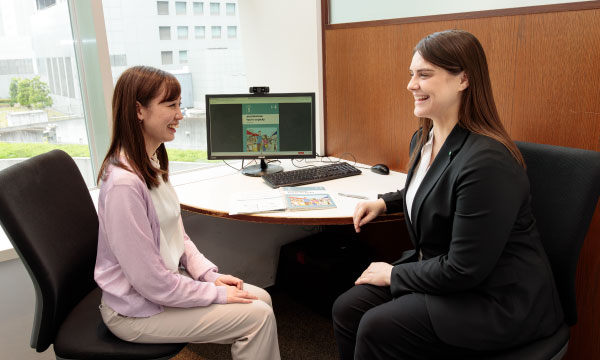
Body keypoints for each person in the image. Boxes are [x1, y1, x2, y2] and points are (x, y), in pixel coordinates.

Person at [331, 30, 564, 359]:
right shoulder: (425, 139)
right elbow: (436, 186)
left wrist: (395, 273)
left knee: (377, 327)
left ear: (463, 79)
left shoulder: (488, 162)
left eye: (424, 75)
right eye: (412, 74)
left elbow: (464, 269)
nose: (412, 84)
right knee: (348, 308)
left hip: (494, 299)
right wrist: (386, 202)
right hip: (451, 278)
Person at [94, 66, 280, 360]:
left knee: (263, 299)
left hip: (159, 289)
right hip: (135, 311)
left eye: (179, 105)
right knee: (255, 317)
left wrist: (208, 276)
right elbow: (152, 283)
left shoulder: (152, 160)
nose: (180, 115)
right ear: (139, 111)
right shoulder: (124, 185)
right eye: (171, 105)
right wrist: (214, 293)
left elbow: (176, 235)